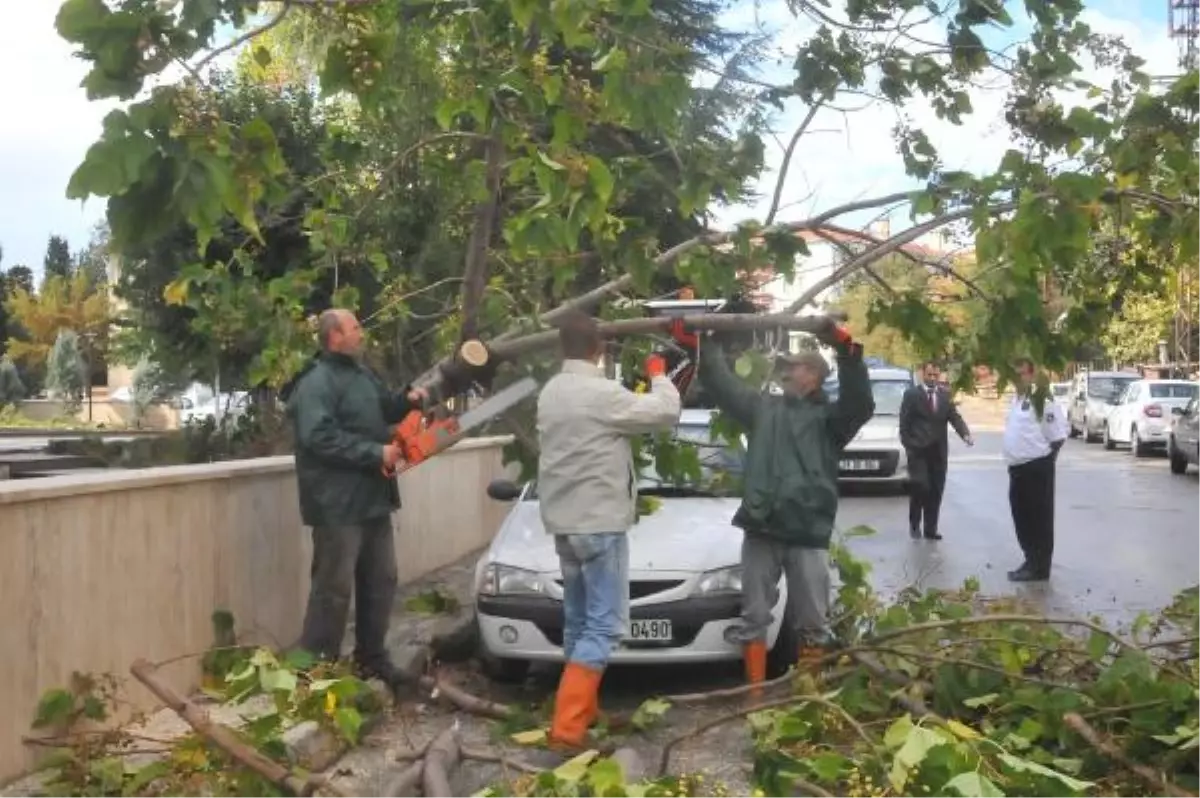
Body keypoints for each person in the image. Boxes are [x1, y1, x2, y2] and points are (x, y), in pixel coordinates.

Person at [682, 321, 875, 693]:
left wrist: (848, 353)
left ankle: (809, 698)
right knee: (753, 616)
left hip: (807, 531)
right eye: (785, 365)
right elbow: (725, 386)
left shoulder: (831, 421)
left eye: (795, 366)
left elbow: (860, 402)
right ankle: (754, 697)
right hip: (762, 526)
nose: (786, 370)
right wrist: (702, 345)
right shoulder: (763, 409)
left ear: (814, 376)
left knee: (813, 622)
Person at [536, 309, 682, 753]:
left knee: (579, 623)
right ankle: (567, 728)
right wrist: (659, 375)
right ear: (599, 350)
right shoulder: (600, 393)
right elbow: (666, 411)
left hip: (564, 522)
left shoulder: (551, 392)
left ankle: (583, 710)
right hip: (600, 523)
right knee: (604, 626)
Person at [282, 308, 427, 689]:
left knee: (382, 578)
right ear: (334, 337)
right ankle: (314, 670)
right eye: (355, 327)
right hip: (336, 504)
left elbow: (385, 407)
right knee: (333, 587)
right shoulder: (316, 383)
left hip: (374, 499)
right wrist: (374, 453)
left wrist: (408, 400)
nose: (361, 333)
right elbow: (319, 438)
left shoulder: (361, 374)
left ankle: (371, 658)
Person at [1003, 357, 1069, 582]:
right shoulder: (1017, 399)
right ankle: (1030, 559)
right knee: (1022, 517)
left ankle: (1040, 567)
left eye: (1021, 373)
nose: (1016, 378)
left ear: (1031, 374)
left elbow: (1058, 436)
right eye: (1015, 373)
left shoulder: (1042, 399)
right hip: (1018, 469)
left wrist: (1045, 463)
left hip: (1036, 468)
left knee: (1038, 519)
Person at [899, 361, 974, 541]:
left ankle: (931, 529)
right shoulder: (911, 395)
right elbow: (904, 424)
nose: (932, 378)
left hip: (938, 453)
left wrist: (965, 434)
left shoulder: (945, 395)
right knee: (921, 487)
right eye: (929, 374)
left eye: (935, 375)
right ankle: (915, 524)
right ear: (922, 374)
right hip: (918, 452)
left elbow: (954, 417)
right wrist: (910, 445)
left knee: (935, 490)